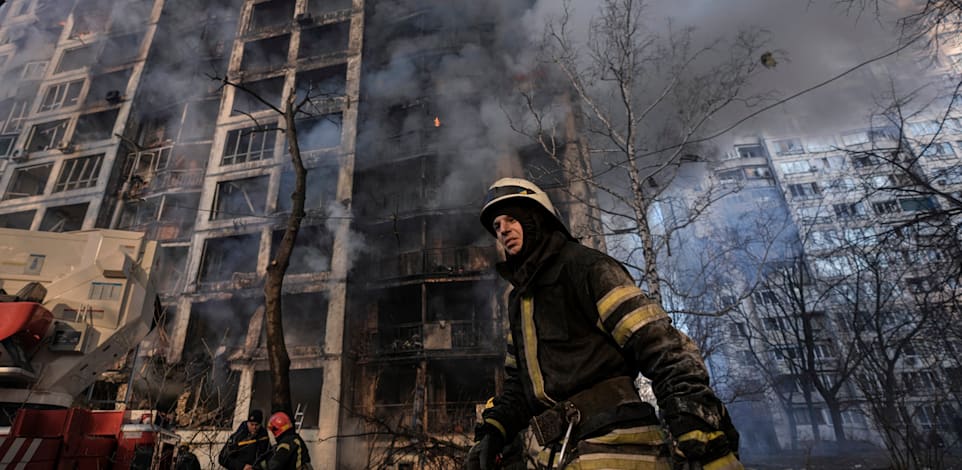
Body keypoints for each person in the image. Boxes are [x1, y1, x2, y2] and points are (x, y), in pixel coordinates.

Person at [471, 177, 742, 470]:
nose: (503, 231)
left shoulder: (587, 268)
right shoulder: (519, 301)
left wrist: (697, 426)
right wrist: (494, 431)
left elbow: (662, 346)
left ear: (536, 217)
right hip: (556, 454)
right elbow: (519, 385)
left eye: (511, 219)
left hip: (619, 448)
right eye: (497, 226)